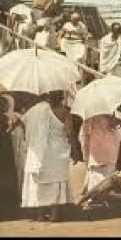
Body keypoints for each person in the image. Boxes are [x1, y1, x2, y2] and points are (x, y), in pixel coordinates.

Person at [19, 91, 79, 222]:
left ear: (47, 97)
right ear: (62, 98)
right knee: (56, 182)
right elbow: (69, 133)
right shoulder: (64, 112)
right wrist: (76, 151)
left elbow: (22, 123)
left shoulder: (35, 111)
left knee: (41, 183)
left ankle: (40, 215)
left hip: (40, 153)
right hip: (57, 153)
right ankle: (54, 214)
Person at [80, 114, 121, 195]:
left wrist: (86, 160)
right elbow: (118, 137)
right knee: (107, 188)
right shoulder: (114, 117)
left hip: (95, 158)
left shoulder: (89, 118)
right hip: (111, 156)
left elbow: (84, 140)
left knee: (94, 191)